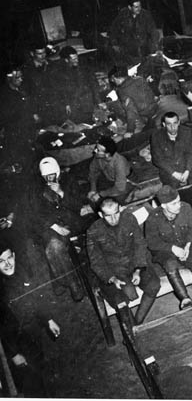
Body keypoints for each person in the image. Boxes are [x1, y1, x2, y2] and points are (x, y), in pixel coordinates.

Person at [0, 238, 60, 396]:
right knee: (29, 381)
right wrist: (13, 354)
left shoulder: (22, 272)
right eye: (1, 261)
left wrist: (49, 320)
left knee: (38, 365)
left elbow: (36, 298)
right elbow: (2, 329)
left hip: (32, 331)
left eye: (9, 258)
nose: (7, 264)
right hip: (16, 342)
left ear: (14, 255)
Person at [86, 197, 161, 325]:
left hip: (134, 264)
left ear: (120, 209)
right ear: (100, 214)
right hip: (113, 270)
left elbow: (140, 245)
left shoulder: (130, 219)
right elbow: (96, 261)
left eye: (116, 213)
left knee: (154, 285)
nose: (114, 219)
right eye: (108, 216)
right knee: (124, 297)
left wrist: (138, 270)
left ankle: (137, 324)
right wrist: (111, 278)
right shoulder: (94, 231)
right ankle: (132, 328)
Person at [145, 186, 192, 309]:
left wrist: (188, 245)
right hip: (166, 250)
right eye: (174, 204)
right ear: (164, 206)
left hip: (186, 245)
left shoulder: (186, 208)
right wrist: (172, 248)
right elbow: (152, 242)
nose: (179, 205)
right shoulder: (153, 218)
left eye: (179, 201)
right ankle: (185, 300)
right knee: (170, 265)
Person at [28, 157, 86, 302]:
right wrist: (55, 226)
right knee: (55, 246)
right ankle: (74, 284)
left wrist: (61, 192)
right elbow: (35, 214)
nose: (49, 178)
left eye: (52, 174)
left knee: (53, 249)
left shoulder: (69, 180)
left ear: (58, 171)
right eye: (45, 176)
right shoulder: (36, 187)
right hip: (50, 225)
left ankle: (57, 280)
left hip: (70, 220)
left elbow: (77, 205)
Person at [150, 111, 192, 188]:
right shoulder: (156, 136)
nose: (173, 127)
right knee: (173, 192)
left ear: (179, 123)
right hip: (169, 170)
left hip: (186, 166)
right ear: (164, 125)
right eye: (169, 124)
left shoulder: (186, 132)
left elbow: (191, 153)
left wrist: (187, 171)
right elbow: (158, 159)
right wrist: (174, 173)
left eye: (175, 123)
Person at [0, 68, 37, 170]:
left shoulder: (22, 89)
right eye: (17, 78)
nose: (21, 79)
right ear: (9, 79)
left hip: (27, 128)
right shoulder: (5, 95)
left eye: (21, 77)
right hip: (15, 132)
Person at [108, 66, 158, 137]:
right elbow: (150, 95)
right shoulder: (139, 79)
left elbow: (131, 110)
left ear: (114, 78)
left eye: (112, 80)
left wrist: (130, 131)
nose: (114, 82)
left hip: (146, 118)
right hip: (157, 111)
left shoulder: (123, 90)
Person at [109, 0, 160, 64]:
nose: (139, 8)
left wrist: (155, 45)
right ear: (130, 7)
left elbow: (153, 30)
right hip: (128, 47)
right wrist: (114, 44)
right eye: (136, 7)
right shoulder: (123, 14)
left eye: (140, 6)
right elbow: (114, 29)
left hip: (143, 46)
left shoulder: (145, 14)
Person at [57, 45, 98, 123]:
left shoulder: (84, 68)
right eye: (74, 59)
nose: (77, 60)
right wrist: (66, 104)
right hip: (74, 107)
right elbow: (61, 90)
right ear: (66, 60)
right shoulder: (60, 73)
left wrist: (98, 101)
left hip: (87, 104)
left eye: (77, 58)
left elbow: (94, 84)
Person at [88, 135, 133, 203]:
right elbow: (93, 171)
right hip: (108, 178)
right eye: (96, 148)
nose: (95, 151)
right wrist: (93, 189)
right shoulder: (98, 156)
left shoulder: (119, 163)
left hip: (123, 183)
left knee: (108, 203)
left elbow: (120, 188)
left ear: (107, 154)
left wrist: (100, 195)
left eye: (98, 150)